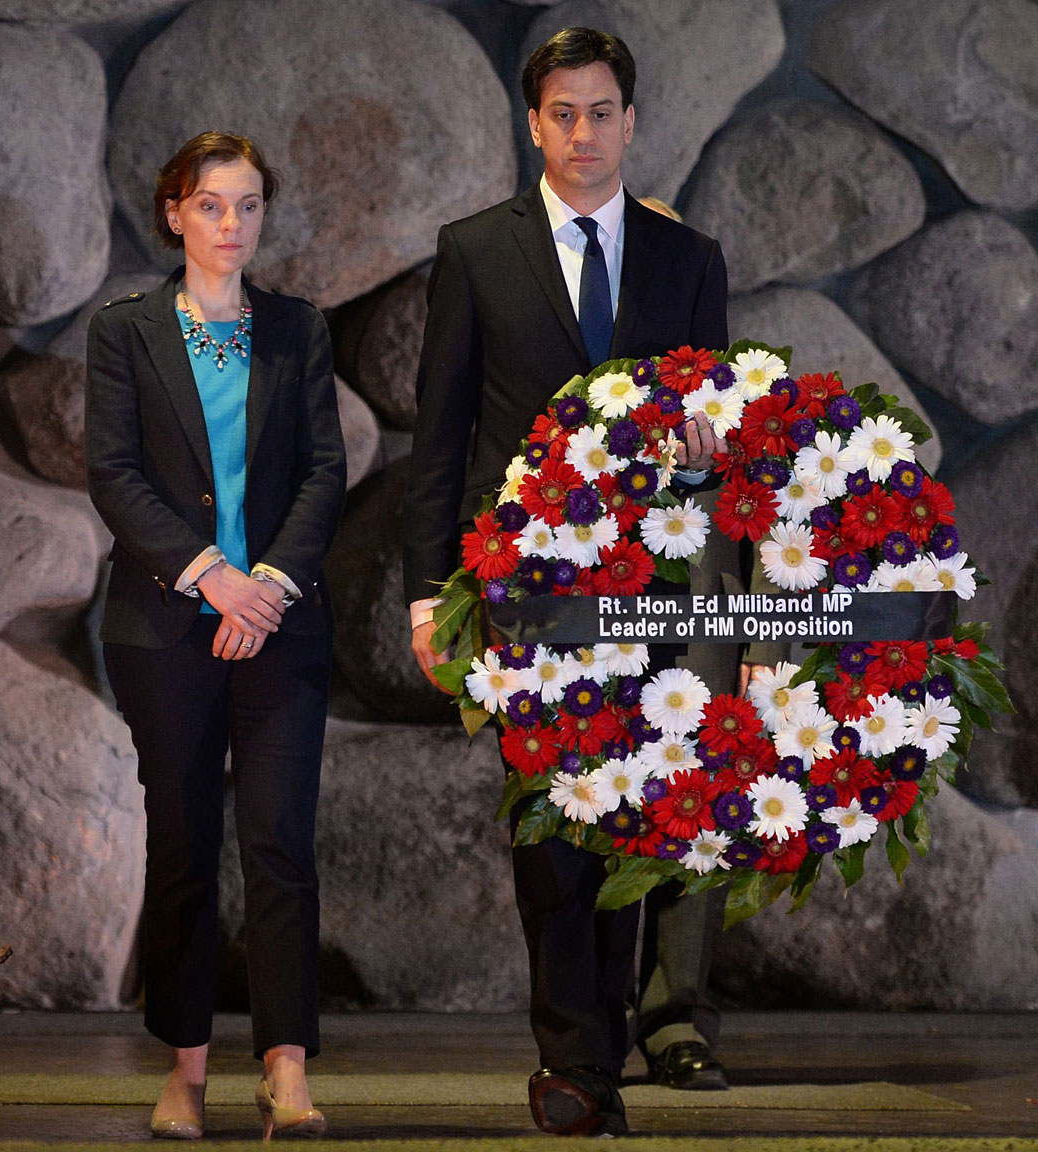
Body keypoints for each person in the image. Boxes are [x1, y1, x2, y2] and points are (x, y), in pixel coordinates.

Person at [400, 27, 752, 1135]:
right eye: (563, 113)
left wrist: (702, 454)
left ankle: (606, 1045)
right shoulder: (473, 251)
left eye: (601, 112)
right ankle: (573, 1059)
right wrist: (427, 592)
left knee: (635, 816)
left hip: (657, 585)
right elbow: (439, 434)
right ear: (532, 123)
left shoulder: (688, 261)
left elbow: (720, 444)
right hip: (522, 586)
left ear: (630, 122)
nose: (583, 132)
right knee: (550, 824)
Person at [86, 131, 345, 1141]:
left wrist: (265, 587)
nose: (230, 223)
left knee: (280, 844)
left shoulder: (297, 329)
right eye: (209, 204)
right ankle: (185, 1072)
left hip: (280, 627)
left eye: (247, 205)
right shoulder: (125, 331)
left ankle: (286, 1068)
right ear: (173, 214)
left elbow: (324, 470)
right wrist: (214, 579)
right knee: (185, 846)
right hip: (165, 629)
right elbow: (114, 475)